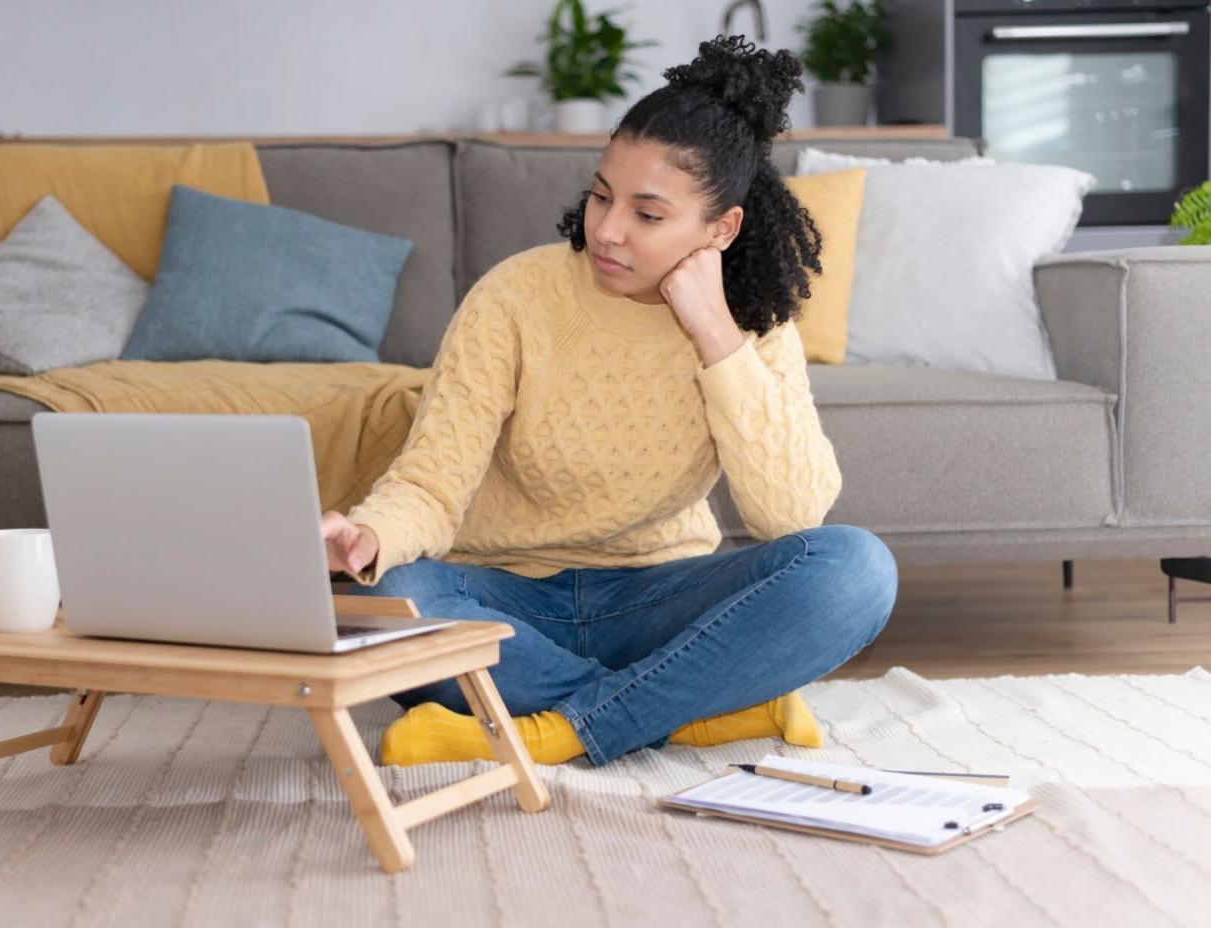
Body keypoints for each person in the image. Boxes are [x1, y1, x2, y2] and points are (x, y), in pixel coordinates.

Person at [321, 35, 898, 767]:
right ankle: (681, 711)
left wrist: (717, 335)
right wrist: (368, 536)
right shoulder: (517, 296)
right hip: (506, 600)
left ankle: (553, 730)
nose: (608, 230)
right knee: (393, 598)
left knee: (857, 569)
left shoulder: (753, 323)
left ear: (720, 229)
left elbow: (790, 517)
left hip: (656, 603)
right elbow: (432, 483)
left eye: (647, 215)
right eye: (601, 195)